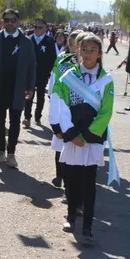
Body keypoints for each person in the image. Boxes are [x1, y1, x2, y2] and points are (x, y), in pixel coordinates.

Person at [53, 34, 113, 245]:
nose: (88, 54)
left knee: (89, 183)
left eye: (92, 50)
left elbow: (106, 112)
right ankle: (70, 216)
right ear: (78, 51)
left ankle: (87, 226)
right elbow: (60, 104)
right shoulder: (68, 77)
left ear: (99, 54)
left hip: (91, 139)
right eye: (84, 50)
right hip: (72, 137)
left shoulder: (106, 80)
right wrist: (70, 133)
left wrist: (87, 136)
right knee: (70, 179)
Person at [0, 9, 36, 169]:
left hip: (17, 88)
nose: (10, 23)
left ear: (18, 22)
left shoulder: (25, 41)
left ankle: (11, 154)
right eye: (7, 20)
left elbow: (32, 66)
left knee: (15, 122)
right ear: (3, 22)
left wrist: (30, 87)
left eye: (13, 20)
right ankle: (0, 152)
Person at [48, 31, 80, 188]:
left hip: (79, 109)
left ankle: (71, 183)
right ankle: (59, 175)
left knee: (74, 145)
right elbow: (53, 79)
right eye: (73, 42)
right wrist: (51, 96)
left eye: (78, 42)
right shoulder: (61, 59)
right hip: (62, 106)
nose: (75, 46)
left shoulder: (87, 61)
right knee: (60, 141)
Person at [25, 18, 57, 129]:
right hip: (30, 74)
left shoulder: (49, 41)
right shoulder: (28, 40)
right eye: (35, 27)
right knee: (28, 95)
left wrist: (48, 72)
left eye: (40, 27)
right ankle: (27, 117)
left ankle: (37, 116)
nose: (37, 30)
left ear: (45, 28)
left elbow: (53, 58)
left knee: (40, 96)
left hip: (42, 74)